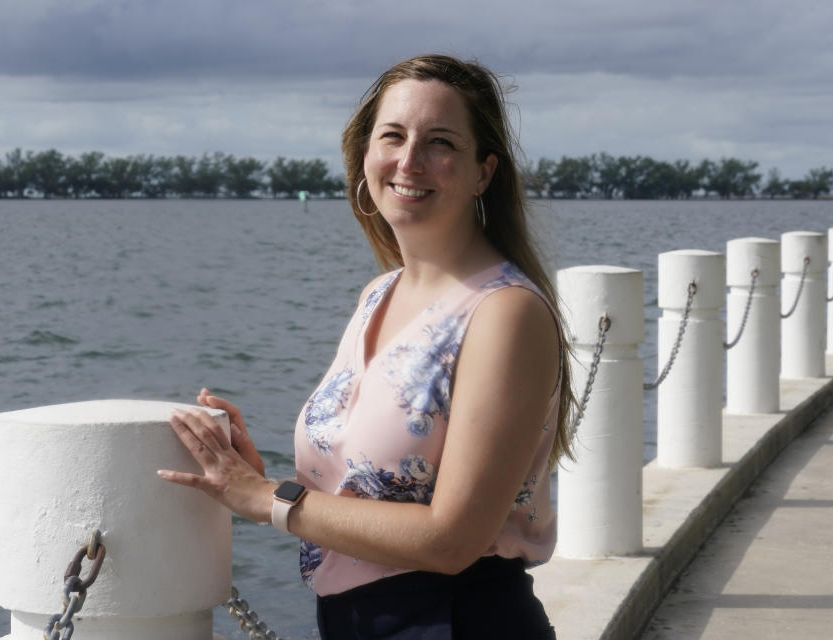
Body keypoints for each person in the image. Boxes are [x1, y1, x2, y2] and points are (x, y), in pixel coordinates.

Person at [158, 53, 575, 639]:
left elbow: (453, 540)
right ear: (365, 155)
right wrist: (258, 479)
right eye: (394, 136)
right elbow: (368, 489)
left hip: (455, 620)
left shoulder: (505, 313)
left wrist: (266, 499)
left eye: (440, 143)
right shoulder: (379, 294)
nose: (409, 161)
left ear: (483, 172)